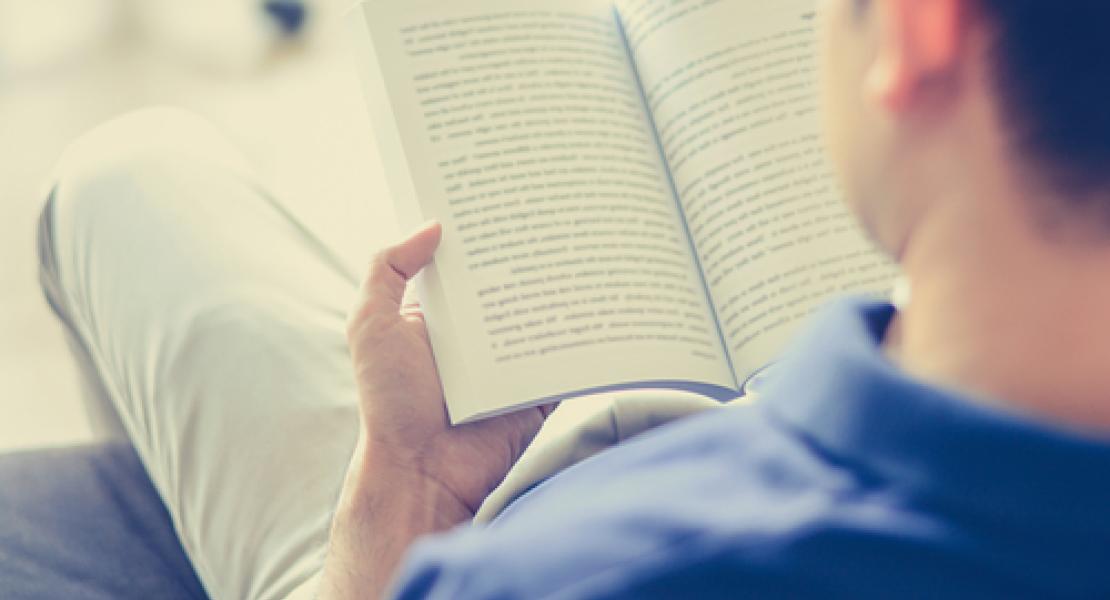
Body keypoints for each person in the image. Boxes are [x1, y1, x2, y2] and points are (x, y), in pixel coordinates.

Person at [38, 0, 1110, 598]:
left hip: (490, 510)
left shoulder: (558, 578)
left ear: (921, 32)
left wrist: (397, 500)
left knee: (127, 180)